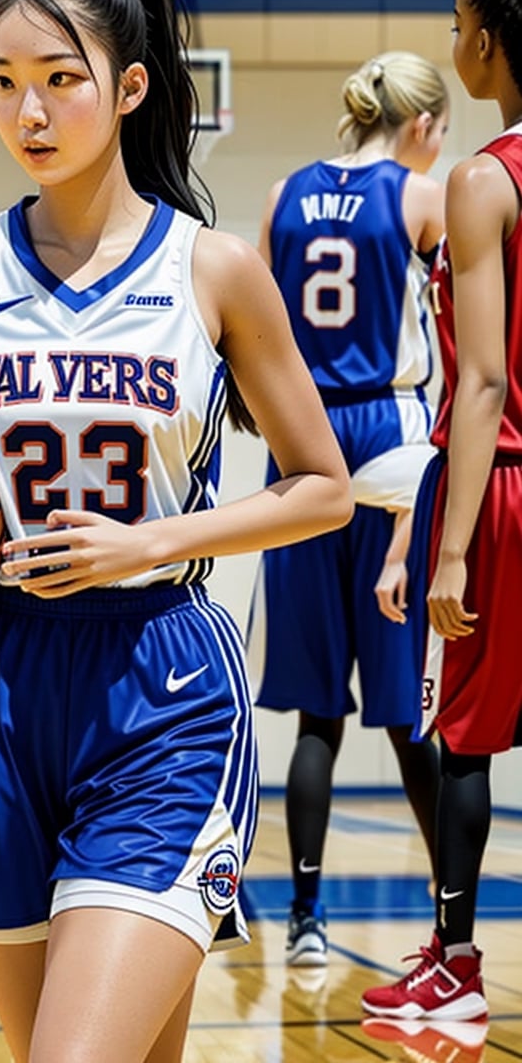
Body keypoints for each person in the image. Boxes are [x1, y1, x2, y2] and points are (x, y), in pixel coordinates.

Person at [0, 0, 356, 1058]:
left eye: (61, 79)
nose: (29, 111)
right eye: (4, 81)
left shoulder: (212, 271)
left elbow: (323, 490)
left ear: (130, 88)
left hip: (159, 681)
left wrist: (147, 545)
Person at [245, 51, 449, 968]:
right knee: (411, 716)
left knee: (314, 720)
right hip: (392, 444)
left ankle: (305, 920)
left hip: (302, 448)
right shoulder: (419, 195)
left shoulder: (284, 192)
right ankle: (453, 925)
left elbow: (247, 329)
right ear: (418, 127)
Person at [362, 0, 522, 1021]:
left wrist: (448, 545)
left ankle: (456, 967)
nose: (454, 42)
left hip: (506, 489)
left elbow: (482, 384)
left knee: (461, 732)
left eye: (457, 23)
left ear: (492, 44)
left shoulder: (482, 180)